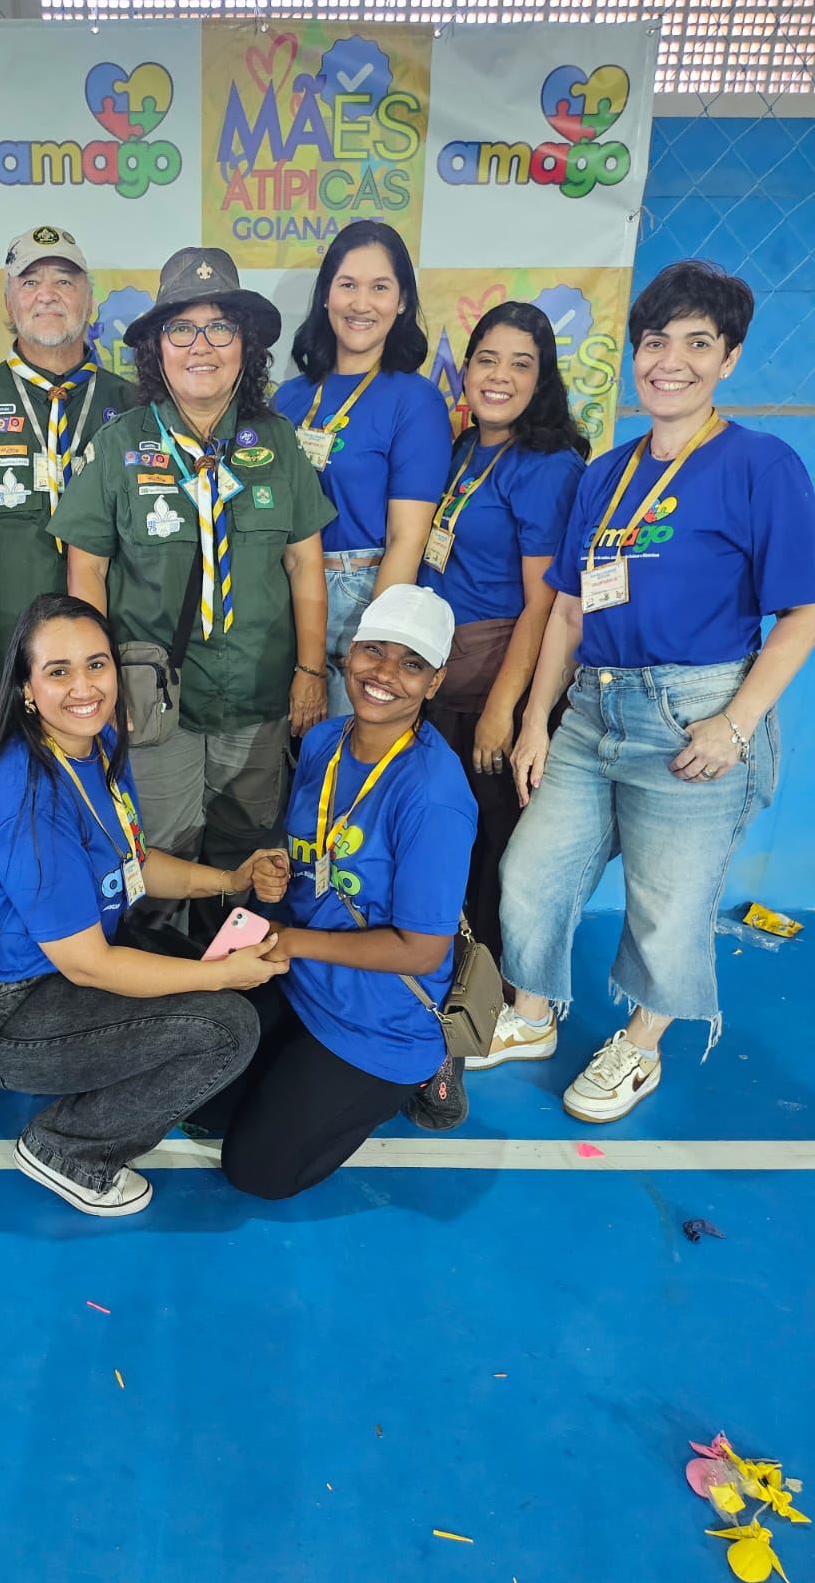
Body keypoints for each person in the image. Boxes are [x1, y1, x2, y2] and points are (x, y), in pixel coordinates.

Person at [495, 260, 815, 1120]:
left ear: (730, 358)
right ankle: (531, 1016)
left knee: (668, 904)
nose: (670, 362)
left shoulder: (761, 465)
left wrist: (736, 723)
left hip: (693, 712)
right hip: (591, 709)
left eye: (697, 344)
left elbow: (802, 614)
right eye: (654, 342)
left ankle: (640, 1046)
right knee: (531, 872)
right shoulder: (606, 474)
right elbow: (568, 610)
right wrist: (536, 721)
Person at [0, 593, 289, 1218]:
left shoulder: (92, 743)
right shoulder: (27, 796)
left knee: (237, 987)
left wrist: (228, 878)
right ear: (26, 689)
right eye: (59, 671)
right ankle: (67, 1151)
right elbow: (89, 966)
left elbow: (132, 858)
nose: (85, 687)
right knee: (225, 1027)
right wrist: (217, 979)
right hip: (8, 1011)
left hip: (66, 967)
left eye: (96, 665)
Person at [51, 247, 333, 930]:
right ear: (156, 347)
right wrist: (97, 682)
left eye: (219, 328)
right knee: (158, 853)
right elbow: (86, 571)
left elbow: (306, 565)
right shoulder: (120, 446)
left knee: (249, 851)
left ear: (245, 344)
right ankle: (160, 977)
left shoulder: (278, 443)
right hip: (153, 704)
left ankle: (233, 973)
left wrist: (309, 670)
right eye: (181, 329)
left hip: (258, 693)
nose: (200, 346)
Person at [191, 585, 476, 1200]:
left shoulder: (433, 796)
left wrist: (292, 939)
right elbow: (314, 854)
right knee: (197, 1100)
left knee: (258, 1172)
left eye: (411, 664)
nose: (384, 674)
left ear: (435, 681)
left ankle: (425, 1070)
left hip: (382, 1018)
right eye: (374, 651)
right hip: (300, 981)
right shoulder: (324, 741)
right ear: (349, 653)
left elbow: (423, 950)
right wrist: (273, 875)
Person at [417, 301, 589, 965]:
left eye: (521, 364)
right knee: (452, 841)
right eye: (487, 359)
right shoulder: (463, 450)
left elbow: (545, 605)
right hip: (444, 679)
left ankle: (508, 991)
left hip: (497, 683)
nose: (499, 377)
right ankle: (452, 979)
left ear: (541, 379)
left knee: (502, 847)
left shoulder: (547, 465)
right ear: (465, 369)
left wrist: (502, 710)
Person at [0, 226, 134, 743]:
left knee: (105, 788)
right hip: (3, 661)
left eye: (65, 280)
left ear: (89, 299)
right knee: (8, 788)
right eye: (30, 281)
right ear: (9, 302)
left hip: (109, 666)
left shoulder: (133, 406)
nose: (47, 294)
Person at [274, 222, 452, 717]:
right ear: (325, 295)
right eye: (348, 284)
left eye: (380, 288)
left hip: (361, 597)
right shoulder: (288, 398)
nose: (361, 303)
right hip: (281, 593)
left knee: (344, 752)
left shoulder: (415, 400)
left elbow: (406, 540)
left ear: (402, 301)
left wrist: (374, 644)